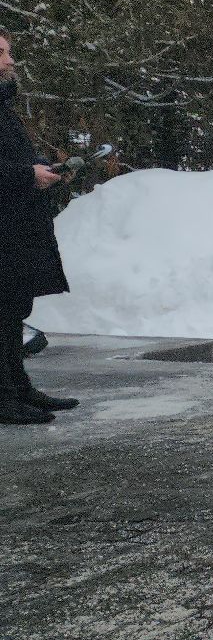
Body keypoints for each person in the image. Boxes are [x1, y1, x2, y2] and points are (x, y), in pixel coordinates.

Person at [0, 31, 76, 424]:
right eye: (2, 54)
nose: (10, 62)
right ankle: (4, 396)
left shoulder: (3, 108)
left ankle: (17, 387)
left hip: (15, 228)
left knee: (13, 310)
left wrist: (42, 170)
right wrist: (25, 175)